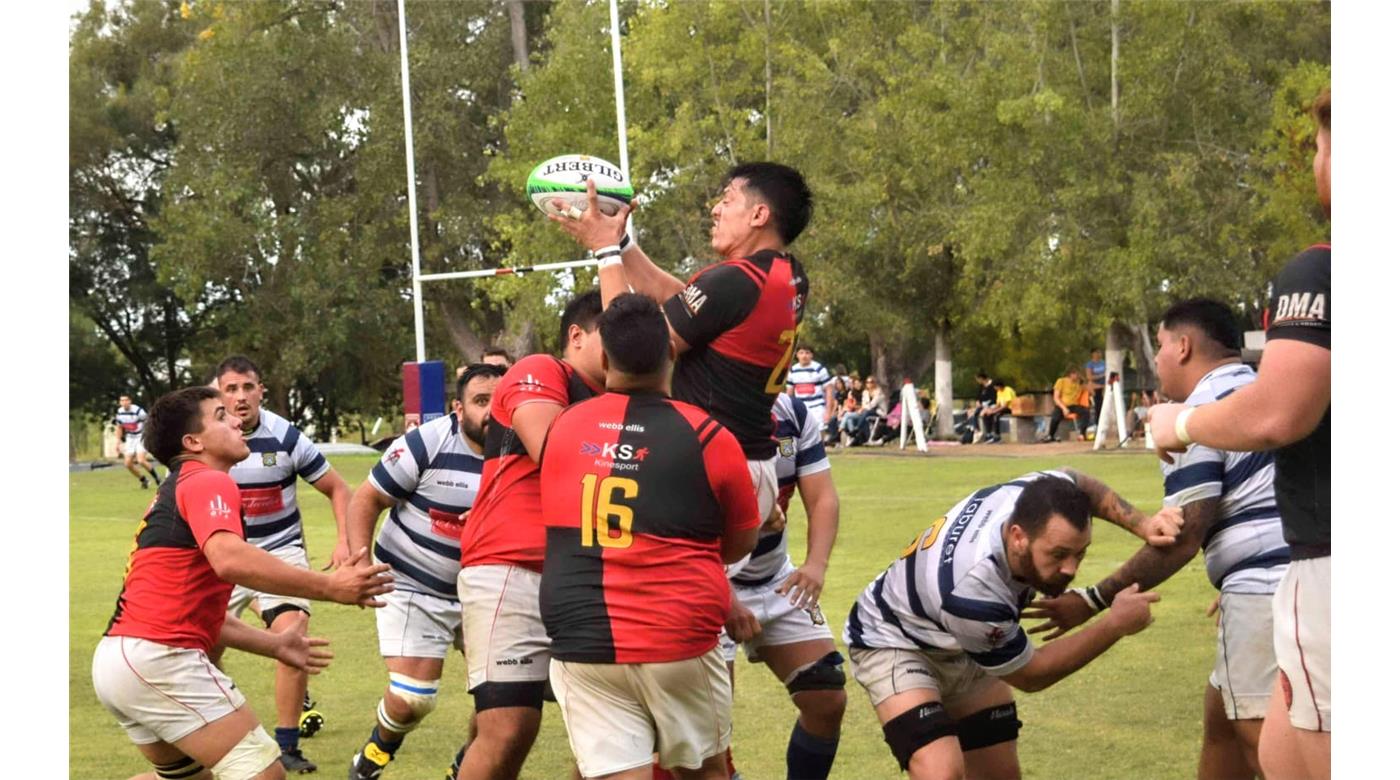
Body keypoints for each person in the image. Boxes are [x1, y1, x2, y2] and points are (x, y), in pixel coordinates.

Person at [1024, 299, 1287, 779]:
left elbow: (1184, 536)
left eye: (1162, 345)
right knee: (1222, 716)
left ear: (1183, 346)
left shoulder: (1198, 413)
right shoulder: (1266, 395)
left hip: (1266, 587)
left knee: (1268, 745)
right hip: (1303, 577)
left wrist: (1092, 598)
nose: (1158, 358)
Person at [1148, 86, 1330, 780]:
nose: (1316, 162)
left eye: (1320, 147)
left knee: (1286, 752)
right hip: (1283, 577)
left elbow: (1279, 417)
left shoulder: (1318, 269)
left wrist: (1179, 422)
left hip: (1316, 566)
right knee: (1236, 733)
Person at [92, 385, 394, 780]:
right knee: (264, 774)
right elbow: (229, 559)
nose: (236, 419)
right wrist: (331, 587)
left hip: (121, 663)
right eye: (220, 415)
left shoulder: (179, 487)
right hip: (160, 659)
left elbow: (196, 611)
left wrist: (275, 644)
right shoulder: (207, 481)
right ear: (193, 442)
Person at [538, 293, 760, 780]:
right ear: (672, 354)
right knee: (704, 773)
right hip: (677, 638)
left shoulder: (562, 429)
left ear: (602, 357)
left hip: (580, 638)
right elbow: (742, 543)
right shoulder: (710, 436)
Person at [843, 469, 1180, 778]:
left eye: (1080, 553)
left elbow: (1078, 484)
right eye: (1059, 554)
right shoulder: (973, 591)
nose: (1071, 570)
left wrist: (1143, 524)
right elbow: (1033, 674)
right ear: (1018, 536)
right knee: (941, 772)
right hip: (893, 639)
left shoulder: (1031, 493)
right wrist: (1114, 625)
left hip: (964, 639)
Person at [549, 161, 813, 531]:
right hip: (747, 460)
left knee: (677, 584)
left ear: (759, 214)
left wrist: (605, 250)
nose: (715, 209)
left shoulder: (733, 281)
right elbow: (687, 303)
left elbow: (630, 348)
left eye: (727, 199)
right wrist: (622, 242)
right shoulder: (788, 274)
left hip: (712, 465)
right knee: (703, 585)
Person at [453, 290, 607, 779]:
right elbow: (554, 451)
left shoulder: (626, 400)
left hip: (587, 575)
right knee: (507, 728)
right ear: (577, 336)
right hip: (510, 565)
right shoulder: (540, 369)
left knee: (611, 729)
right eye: (612, 333)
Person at [345, 364, 505, 780]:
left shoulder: (521, 448)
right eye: (480, 401)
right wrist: (361, 564)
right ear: (458, 408)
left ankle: (464, 768)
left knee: (506, 699)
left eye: (499, 401)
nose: (492, 411)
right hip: (412, 583)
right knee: (411, 700)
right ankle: (375, 754)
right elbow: (366, 499)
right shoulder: (425, 443)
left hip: (486, 589)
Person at [212, 355, 355, 773]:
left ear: (261, 391)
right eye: (231, 389)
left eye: (248, 387)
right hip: (225, 554)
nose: (240, 397)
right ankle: (215, 729)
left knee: (292, 633)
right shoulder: (207, 438)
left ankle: (288, 744)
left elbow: (338, 488)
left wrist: (344, 541)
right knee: (204, 647)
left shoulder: (286, 436)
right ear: (218, 394)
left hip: (280, 549)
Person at [723, 391, 845, 779]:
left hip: (776, 577)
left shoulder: (792, 412)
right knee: (705, 720)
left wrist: (816, 565)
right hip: (709, 582)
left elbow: (822, 495)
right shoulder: (701, 407)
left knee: (825, 696)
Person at [115, 393, 162, 488]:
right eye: (122, 401)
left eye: (126, 400)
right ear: (120, 402)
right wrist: (118, 441)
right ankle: (144, 480)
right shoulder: (120, 412)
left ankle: (157, 478)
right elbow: (119, 427)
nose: (124, 403)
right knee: (127, 463)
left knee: (141, 460)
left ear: (130, 401)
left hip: (141, 436)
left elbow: (149, 423)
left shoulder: (138, 411)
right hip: (130, 438)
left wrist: (150, 436)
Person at [785, 345, 835, 429]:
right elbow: (789, 394)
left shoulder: (819, 369)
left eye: (807, 353)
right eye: (801, 353)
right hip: (800, 408)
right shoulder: (793, 371)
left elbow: (829, 390)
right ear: (797, 355)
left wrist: (828, 411)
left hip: (817, 407)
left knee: (819, 433)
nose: (804, 356)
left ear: (812, 355)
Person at [1041, 366, 1089, 443]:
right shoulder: (1061, 381)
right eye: (1076, 374)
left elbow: (1091, 391)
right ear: (1071, 374)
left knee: (1086, 412)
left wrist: (1084, 381)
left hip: (1074, 405)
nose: (1078, 376)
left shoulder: (1080, 383)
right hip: (1062, 404)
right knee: (1055, 417)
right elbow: (1056, 398)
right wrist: (1064, 408)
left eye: (1079, 374)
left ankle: (1082, 434)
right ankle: (1050, 435)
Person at [841, 376, 888, 445]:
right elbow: (864, 404)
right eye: (867, 382)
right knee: (849, 416)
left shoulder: (879, 393)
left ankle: (856, 429)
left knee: (866, 412)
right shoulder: (865, 393)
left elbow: (872, 405)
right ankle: (854, 435)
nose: (869, 384)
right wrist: (863, 408)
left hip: (878, 412)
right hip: (866, 412)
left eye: (871, 382)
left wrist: (863, 408)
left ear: (874, 383)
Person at [970, 373, 997, 443]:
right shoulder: (981, 386)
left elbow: (994, 398)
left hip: (991, 405)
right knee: (973, 413)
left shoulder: (993, 385)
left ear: (982, 379)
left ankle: (989, 433)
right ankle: (977, 430)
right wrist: (978, 401)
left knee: (986, 414)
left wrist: (987, 406)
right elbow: (978, 396)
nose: (978, 381)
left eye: (978, 379)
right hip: (983, 405)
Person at [1085, 349, 1106, 417]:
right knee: (1098, 404)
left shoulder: (1104, 363)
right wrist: (1102, 375)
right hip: (1095, 386)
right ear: (1092, 354)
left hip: (1105, 385)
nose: (1097, 354)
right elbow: (1089, 377)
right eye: (1096, 353)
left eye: (1099, 352)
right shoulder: (1090, 364)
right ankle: (1097, 421)